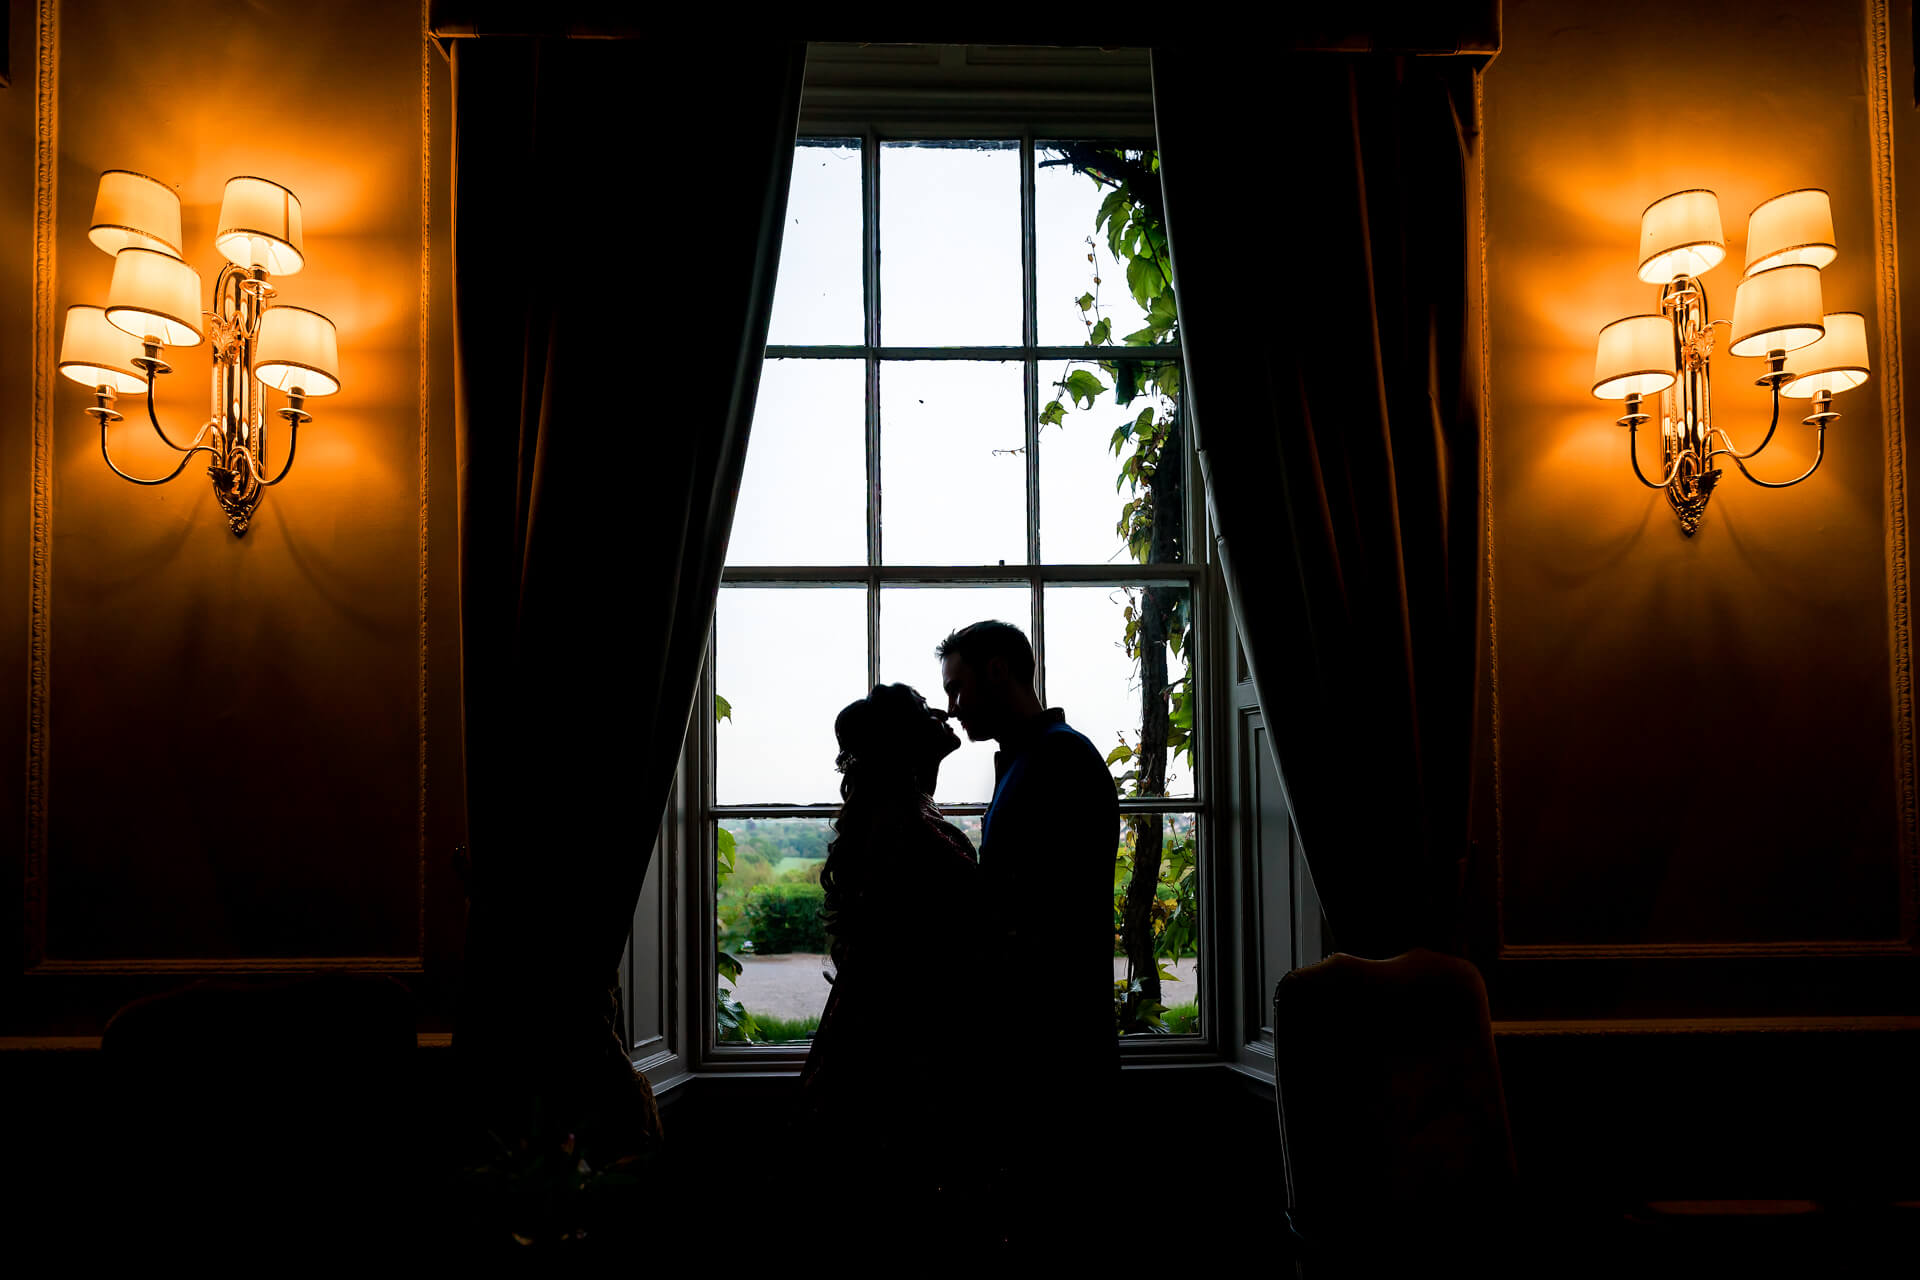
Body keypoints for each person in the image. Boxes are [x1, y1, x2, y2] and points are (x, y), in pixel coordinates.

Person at [937, 619, 1120, 1250]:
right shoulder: (1036, 759)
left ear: (997, 671)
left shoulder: (1061, 761)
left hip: (1054, 1041)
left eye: (958, 690)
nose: (952, 709)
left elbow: (1044, 914)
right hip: (1043, 1037)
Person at [796, 682, 992, 1253]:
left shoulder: (898, 816)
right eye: (925, 712)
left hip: (898, 1029)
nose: (943, 714)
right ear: (905, 746)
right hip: (906, 1039)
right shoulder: (902, 827)